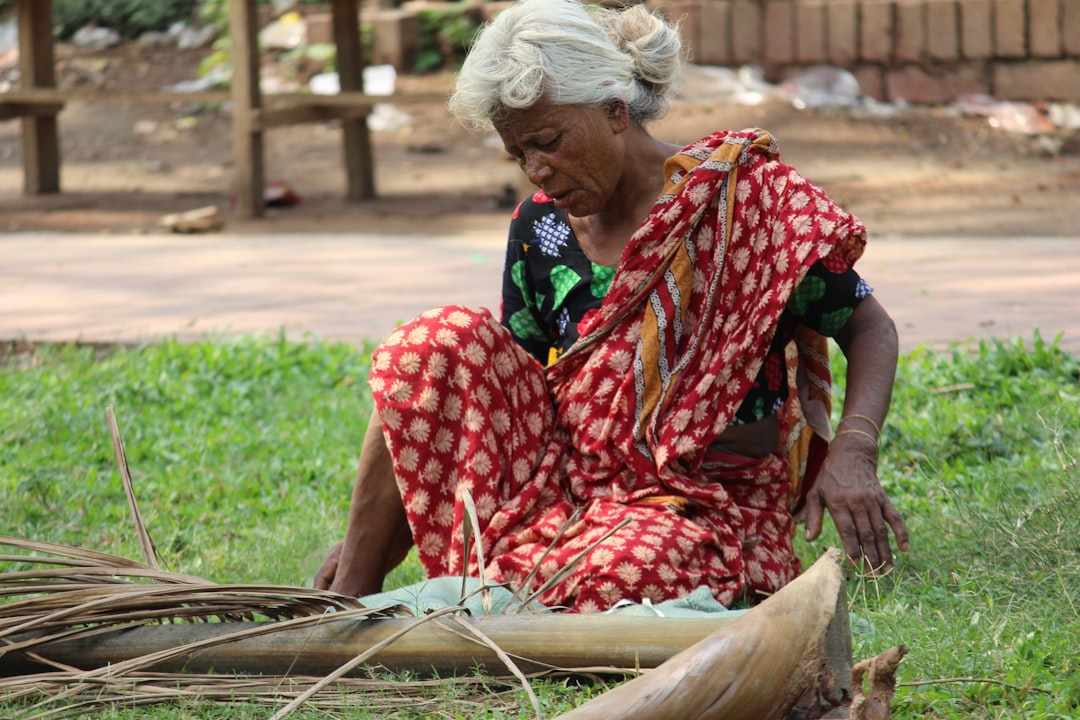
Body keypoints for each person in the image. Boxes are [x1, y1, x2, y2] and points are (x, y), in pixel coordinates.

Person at [315, 0, 908, 612]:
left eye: (548, 141)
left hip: (700, 502)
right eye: (519, 154)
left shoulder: (740, 204)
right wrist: (374, 538)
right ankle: (347, 599)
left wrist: (853, 452)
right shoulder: (540, 227)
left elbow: (869, 327)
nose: (537, 171)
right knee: (429, 346)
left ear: (615, 110)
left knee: (624, 573)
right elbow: (509, 397)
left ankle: (511, 584)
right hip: (570, 489)